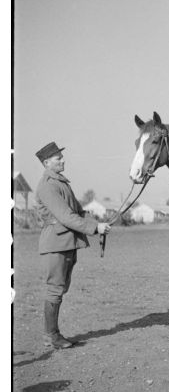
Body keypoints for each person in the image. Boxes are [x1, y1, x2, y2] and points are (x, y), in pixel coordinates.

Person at [35, 141, 111, 349]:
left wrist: (99, 224)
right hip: (55, 245)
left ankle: (53, 334)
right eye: (58, 158)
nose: (62, 160)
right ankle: (51, 336)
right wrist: (95, 230)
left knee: (60, 288)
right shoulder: (48, 186)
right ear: (46, 162)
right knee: (55, 289)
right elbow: (67, 217)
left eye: (61, 156)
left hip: (66, 243)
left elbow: (79, 212)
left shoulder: (61, 183)